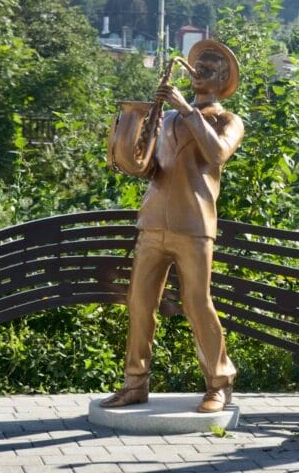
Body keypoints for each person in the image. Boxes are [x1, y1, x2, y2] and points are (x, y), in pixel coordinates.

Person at [101, 40, 245, 413]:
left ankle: (219, 383)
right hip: (153, 221)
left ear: (224, 79)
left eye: (209, 69)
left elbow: (216, 155)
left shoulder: (228, 121)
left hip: (194, 224)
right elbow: (153, 168)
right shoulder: (166, 119)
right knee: (139, 303)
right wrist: (127, 145)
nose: (199, 73)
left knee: (197, 303)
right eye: (197, 67)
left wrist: (185, 109)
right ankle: (135, 383)